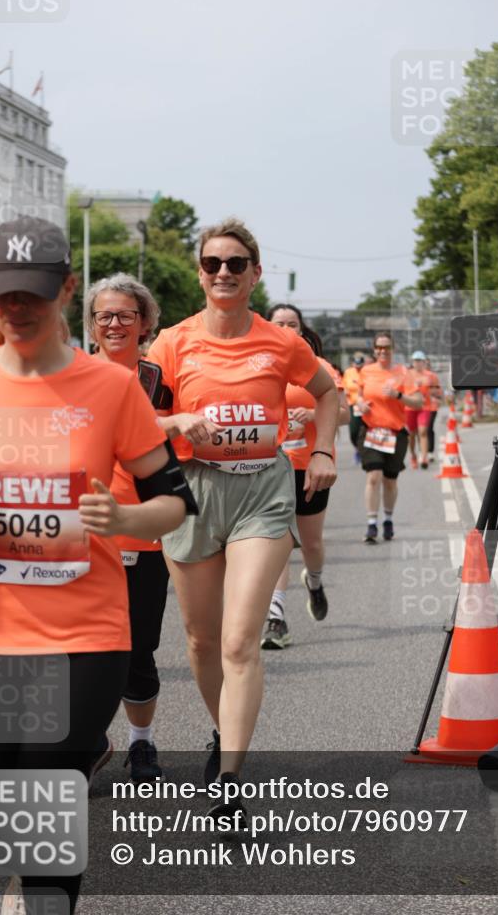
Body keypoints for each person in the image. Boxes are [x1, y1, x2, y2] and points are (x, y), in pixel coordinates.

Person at [0, 216, 191, 914]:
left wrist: (125, 518)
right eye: (5, 296)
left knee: (40, 824)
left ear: (66, 290)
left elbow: (174, 502)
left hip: (84, 636)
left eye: (34, 296)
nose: (17, 310)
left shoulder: (110, 388)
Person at [147, 217, 338, 807]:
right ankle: (222, 727)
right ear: (200, 274)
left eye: (235, 264)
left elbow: (329, 391)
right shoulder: (172, 344)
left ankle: (230, 781)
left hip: (263, 488)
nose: (223, 273)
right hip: (194, 492)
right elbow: (130, 420)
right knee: (201, 642)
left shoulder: (281, 342)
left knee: (238, 642)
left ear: (255, 273)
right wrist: (175, 422)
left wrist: (325, 450)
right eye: (212, 264)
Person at [86, 273, 171, 782]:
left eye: (125, 315)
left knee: (138, 650)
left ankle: (142, 743)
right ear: (93, 325)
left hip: (146, 534)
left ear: (145, 323)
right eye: (104, 316)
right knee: (81, 649)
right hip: (82, 535)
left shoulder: (161, 379)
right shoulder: (70, 373)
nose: (114, 324)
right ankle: (91, 741)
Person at [261, 304, 348, 650]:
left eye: (291, 323)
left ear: (301, 329)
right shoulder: (258, 367)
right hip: (269, 466)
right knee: (280, 540)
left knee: (310, 544)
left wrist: (312, 414)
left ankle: (314, 581)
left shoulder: (320, 368)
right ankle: (275, 617)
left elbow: (343, 414)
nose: (285, 327)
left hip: (310, 466)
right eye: (278, 322)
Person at [356, 331, 422, 543]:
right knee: (373, 476)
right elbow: (358, 396)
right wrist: (360, 404)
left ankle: (388, 519)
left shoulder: (403, 372)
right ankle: (371, 524)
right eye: (379, 347)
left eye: (387, 347)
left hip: (395, 433)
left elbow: (418, 402)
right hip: (372, 431)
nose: (383, 351)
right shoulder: (366, 371)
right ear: (374, 350)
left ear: (393, 350)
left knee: (390, 481)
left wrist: (398, 395)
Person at [404, 350, 433, 469]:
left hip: (424, 407)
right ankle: (413, 455)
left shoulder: (429, 375)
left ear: (424, 362)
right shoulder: (407, 374)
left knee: (423, 432)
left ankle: (424, 457)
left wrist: (435, 396)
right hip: (409, 407)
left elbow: (435, 389)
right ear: (412, 362)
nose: (418, 363)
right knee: (411, 434)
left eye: (420, 361)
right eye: (416, 361)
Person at [342, 352, 367, 462]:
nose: (358, 367)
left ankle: (364, 451)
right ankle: (357, 448)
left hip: (366, 405)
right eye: (356, 365)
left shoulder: (367, 373)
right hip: (353, 404)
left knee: (365, 430)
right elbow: (344, 386)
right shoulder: (348, 372)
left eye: (360, 365)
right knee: (353, 431)